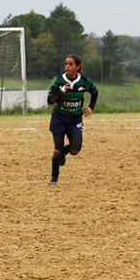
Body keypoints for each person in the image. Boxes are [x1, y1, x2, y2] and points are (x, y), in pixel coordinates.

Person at [46, 54, 98, 186]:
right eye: (66, 64)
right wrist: (61, 91)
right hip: (59, 119)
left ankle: (64, 152)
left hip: (75, 120)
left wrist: (91, 107)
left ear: (78, 67)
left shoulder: (84, 81)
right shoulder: (59, 81)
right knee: (57, 150)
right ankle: (54, 177)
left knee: (75, 149)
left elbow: (95, 92)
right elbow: (50, 100)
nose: (67, 67)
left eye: (71, 64)